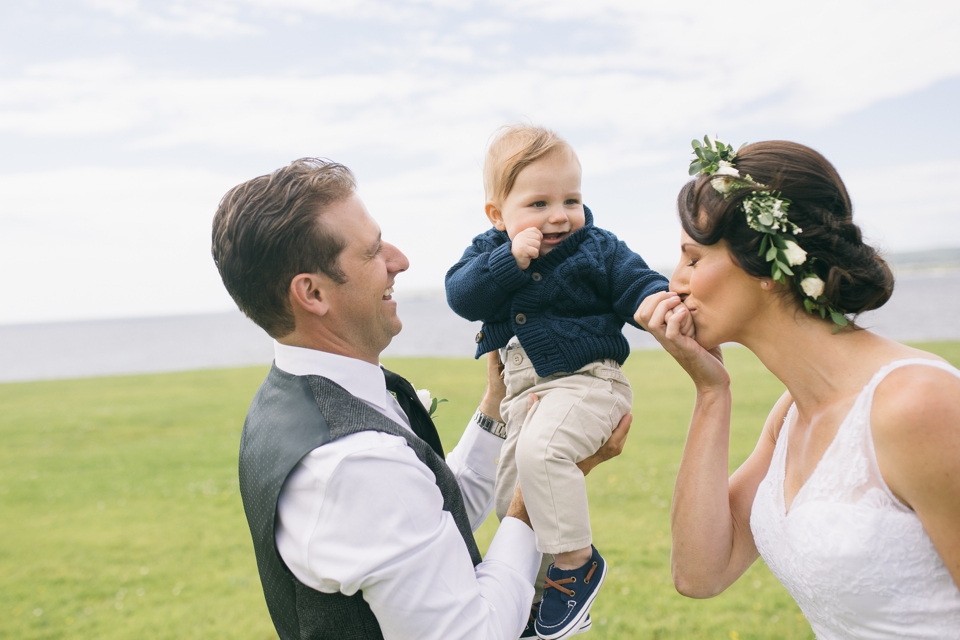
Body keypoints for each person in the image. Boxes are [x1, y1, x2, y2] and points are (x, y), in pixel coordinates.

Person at [210, 158, 631, 640]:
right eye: (371, 253)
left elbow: (424, 519)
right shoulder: (355, 462)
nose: (400, 260)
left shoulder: (292, 401)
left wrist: (495, 413)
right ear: (312, 293)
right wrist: (542, 486)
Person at [636, 137, 960, 638]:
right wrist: (710, 393)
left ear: (766, 267)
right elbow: (700, 573)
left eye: (693, 259)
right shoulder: (790, 415)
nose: (674, 282)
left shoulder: (918, 403)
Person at [446, 125, 685, 639]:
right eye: (538, 203)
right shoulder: (489, 252)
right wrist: (508, 260)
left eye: (571, 199)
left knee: (542, 455)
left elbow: (635, 280)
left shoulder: (596, 247)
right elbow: (462, 297)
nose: (559, 215)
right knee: (513, 499)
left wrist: (651, 303)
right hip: (521, 399)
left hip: (587, 383)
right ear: (497, 215)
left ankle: (577, 564)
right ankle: (533, 603)